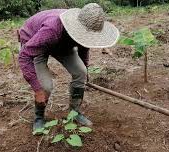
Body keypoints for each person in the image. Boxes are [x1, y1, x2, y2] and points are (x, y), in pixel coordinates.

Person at [18, 3, 119, 131]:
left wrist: (85, 70)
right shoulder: (52, 30)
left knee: (81, 72)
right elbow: (24, 56)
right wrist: (38, 90)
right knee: (45, 86)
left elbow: (83, 47)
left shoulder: (83, 31)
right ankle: (39, 117)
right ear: (76, 27)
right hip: (35, 41)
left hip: (62, 43)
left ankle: (74, 113)